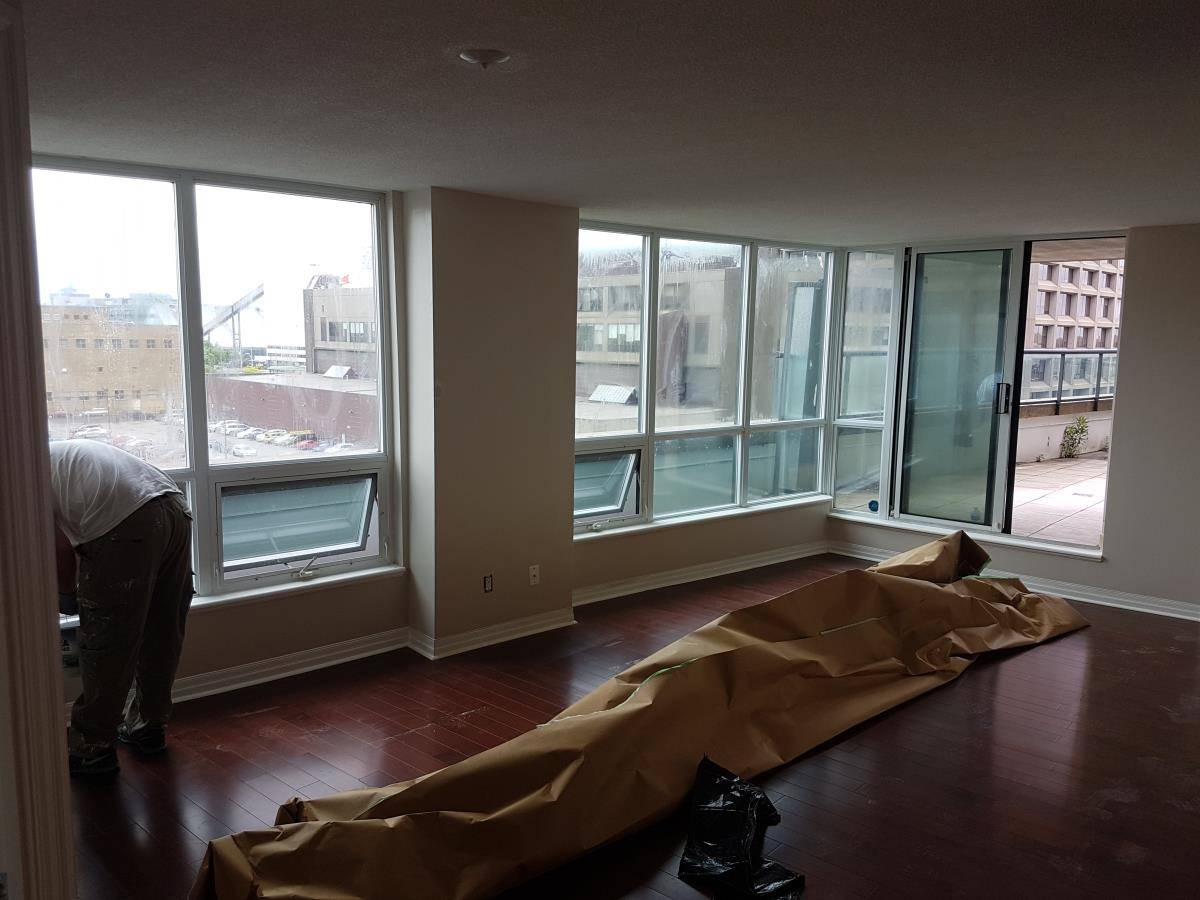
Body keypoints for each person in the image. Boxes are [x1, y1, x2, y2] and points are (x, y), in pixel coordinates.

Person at [50, 439, 193, 776]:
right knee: (162, 630)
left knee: (108, 643)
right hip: (172, 507)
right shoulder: (58, 455)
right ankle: (148, 726)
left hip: (125, 521)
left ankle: (92, 749)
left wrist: (67, 594)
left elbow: (58, 548)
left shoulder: (20, 478)